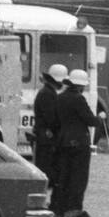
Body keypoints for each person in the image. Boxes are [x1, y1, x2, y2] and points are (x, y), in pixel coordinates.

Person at [53, 68, 103, 217]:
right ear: (81, 86)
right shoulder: (78, 99)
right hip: (79, 143)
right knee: (78, 178)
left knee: (64, 177)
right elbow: (89, 120)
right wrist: (101, 118)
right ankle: (74, 210)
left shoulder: (59, 97)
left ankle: (59, 210)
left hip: (63, 141)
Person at [33, 63, 68, 207]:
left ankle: (41, 200)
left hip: (43, 136)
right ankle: (39, 202)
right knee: (46, 170)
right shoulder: (48, 94)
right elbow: (51, 118)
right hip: (46, 138)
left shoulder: (47, 92)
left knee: (45, 169)